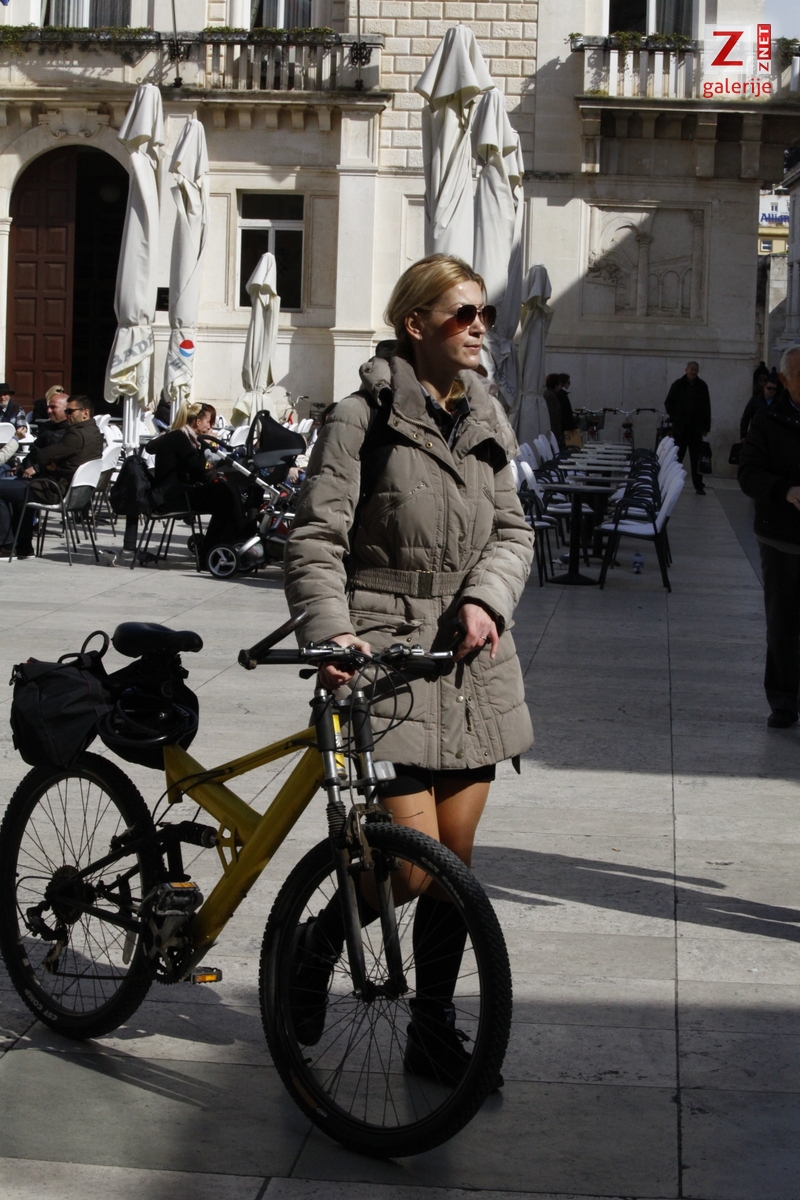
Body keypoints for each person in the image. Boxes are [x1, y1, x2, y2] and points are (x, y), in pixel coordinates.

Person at [283, 253, 534, 1081]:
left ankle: (431, 1031)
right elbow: (316, 539)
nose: (479, 327)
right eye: (463, 313)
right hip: (383, 653)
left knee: (455, 868)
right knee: (413, 865)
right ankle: (316, 947)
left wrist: (486, 600)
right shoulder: (360, 418)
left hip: (467, 661)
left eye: (484, 313)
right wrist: (333, 633)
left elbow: (513, 531)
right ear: (414, 323)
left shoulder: (487, 413)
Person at [739, 345, 800, 728]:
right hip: (781, 537)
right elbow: (748, 473)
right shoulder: (767, 421)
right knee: (783, 623)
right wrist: (784, 490)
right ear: (784, 380)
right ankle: (784, 702)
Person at [148, 401, 252, 563]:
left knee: (226, 491)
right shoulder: (179, 438)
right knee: (224, 495)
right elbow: (197, 470)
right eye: (209, 422)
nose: (211, 426)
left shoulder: (187, 438)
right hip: (171, 497)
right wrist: (206, 446)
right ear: (198, 422)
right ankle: (217, 548)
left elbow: (198, 473)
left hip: (177, 493)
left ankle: (227, 543)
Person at [0, 395, 102, 556]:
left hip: (53, 490)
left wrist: (49, 463)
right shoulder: (95, 432)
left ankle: (7, 545)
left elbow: (41, 456)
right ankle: (23, 546)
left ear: (85, 413)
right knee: (17, 493)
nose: (67, 415)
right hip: (66, 489)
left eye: (70, 411)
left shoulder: (75, 435)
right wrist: (52, 463)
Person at [665, 360, 711, 495]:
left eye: (696, 370)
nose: (694, 372)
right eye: (692, 369)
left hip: (695, 429)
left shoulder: (702, 386)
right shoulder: (678, 385)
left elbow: (706, 407)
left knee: (696, 458)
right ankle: (672, 483)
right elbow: (668, 403)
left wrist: (706, 426)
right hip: (680, 429)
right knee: (677, 457)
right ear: (686, 370)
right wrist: (676, 417)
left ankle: (698, 485)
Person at [543, 372, 564, 448]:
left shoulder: (546, 393)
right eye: (560, 384)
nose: (560, 386)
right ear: (556, 384)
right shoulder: (552, 396)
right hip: (553, 430)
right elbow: (554, 416)